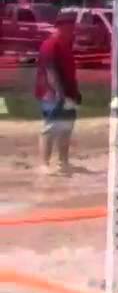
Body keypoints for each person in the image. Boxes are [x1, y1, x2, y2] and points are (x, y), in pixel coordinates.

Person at [36, 13, 81, 175]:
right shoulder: (50, 45)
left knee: (66, 128)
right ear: (61, 27)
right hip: (52, 94)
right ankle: (43, 163)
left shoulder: (66, 44)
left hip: (68, 93)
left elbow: (69, 72)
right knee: (50, 128)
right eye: (70, 27)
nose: (73, 30)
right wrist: (59, 93)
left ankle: (63, 161)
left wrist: (75, 92)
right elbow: (50, 71)